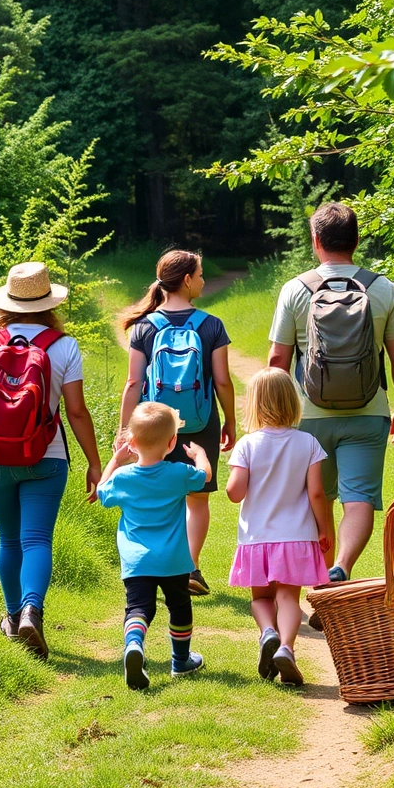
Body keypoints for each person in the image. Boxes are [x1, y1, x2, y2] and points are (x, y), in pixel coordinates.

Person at [0, 261, 102, 660]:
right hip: (46, 455)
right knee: (37, 538)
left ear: (8, 300)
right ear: (48, 303)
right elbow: (77, 412)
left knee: (9, 537)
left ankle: (13, 615)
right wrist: (94, 461)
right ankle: (33, 612)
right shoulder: (64, 345)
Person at [268, 202, 394, 587]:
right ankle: (341, 568)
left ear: (315, 240)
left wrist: (274, 419)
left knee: (316, 499)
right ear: (357, 240)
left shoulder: (296, 289)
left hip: (308, 416)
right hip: (369, 412)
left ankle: (320, 583)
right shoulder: (382, 287)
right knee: (359, 498)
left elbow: (277, 359)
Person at [118, 249, 235, 597]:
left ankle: (155, 568)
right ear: (186, 280)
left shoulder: (144, 327)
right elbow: (224, 381)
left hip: (155, 423)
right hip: (199, 423)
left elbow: (133, 383)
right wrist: (229, 420)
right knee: (197, 499)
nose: (202, 280)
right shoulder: (211, 325)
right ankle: (190, 568)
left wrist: (125, 430)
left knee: (158, 494)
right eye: (199, 274)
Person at [95, 401, 211, 689]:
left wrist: (115, 461)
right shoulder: (178, 474)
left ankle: (134, 645)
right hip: (173, 560)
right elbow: (205, 476)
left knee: (139, 608)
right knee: (179, 607)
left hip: (136, 562)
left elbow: (101, 492)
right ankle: (181, 661)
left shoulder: (123, 478)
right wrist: (201, 455)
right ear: (172, 442)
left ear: (131, 442)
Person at [227, 367, 331, 686]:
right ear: (292, 402)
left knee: (261, 598)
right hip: (296, 537)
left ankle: (267, 632)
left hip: (257, 538)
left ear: (254, 404)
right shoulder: (308, 443)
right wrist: (324, 527)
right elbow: (316, 492)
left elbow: (234, 493)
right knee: (289, 597)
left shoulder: (247, 445)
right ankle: (286, 646)